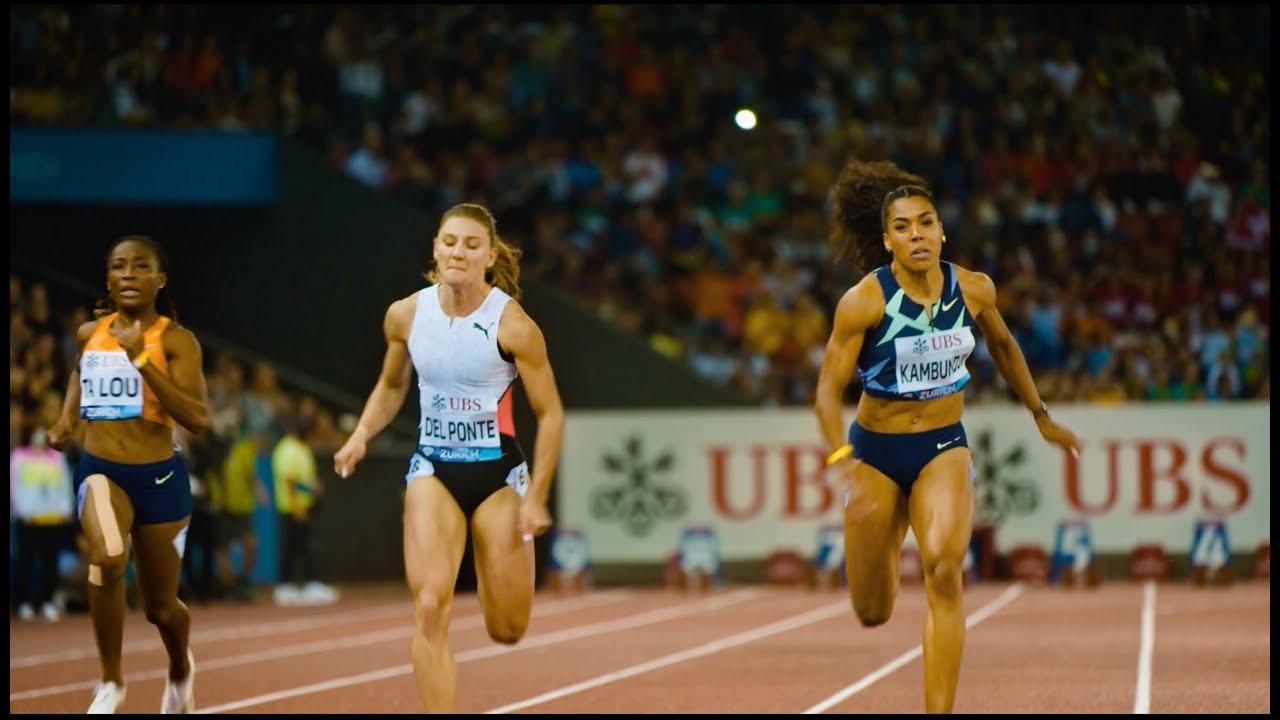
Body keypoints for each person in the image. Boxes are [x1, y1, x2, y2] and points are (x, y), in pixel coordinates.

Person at [813, 161, 1081, 714]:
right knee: (872, 610)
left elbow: (1003, 346)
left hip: (942, 446)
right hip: (875, 453)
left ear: (942, 231)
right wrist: (842, 456)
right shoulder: (864, 301)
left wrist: (1041, 415)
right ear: (887, 240)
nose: (917, 235)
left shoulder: (974, 288)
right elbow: (826, 392)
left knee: (943, 569)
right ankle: (884, 538)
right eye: (903, 227)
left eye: (925, 223)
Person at [333, 202, 564, 712]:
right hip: (433, 470)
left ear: (489, 256)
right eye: (450, 242)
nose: (459, 252)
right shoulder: (405, 315)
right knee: (429, 606)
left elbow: (550, 414)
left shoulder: (513, 325)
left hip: (498, 477)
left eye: (471, 245)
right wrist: (361, 434)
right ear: (436, 250)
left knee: (508, 628)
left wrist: (536, 499)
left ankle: (490, 559)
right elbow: (391, 385)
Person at [47, 234, 212, 714]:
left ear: (160, 280)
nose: (128, 274)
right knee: (108, 556)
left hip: (159, 480)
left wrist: (141, 358)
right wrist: (66, 420)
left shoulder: (176, 341)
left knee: (161, 608)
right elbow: (78, 373)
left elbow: (198, 418)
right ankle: (110, 681)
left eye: (141, 266)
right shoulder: (89, 333)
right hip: (101, 471)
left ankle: (179, 668)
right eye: (119, 266)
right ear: (107, 279)